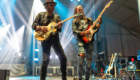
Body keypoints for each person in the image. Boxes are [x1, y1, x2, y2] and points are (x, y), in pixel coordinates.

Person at [32, 0, 67, 80]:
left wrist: (59, 27)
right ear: (46, 6)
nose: (53, 7)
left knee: (63, 58)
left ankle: (64, 78)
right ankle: (42, 78)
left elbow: (59, 30)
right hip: (45, 39)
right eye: (51, 5)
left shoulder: (57, 17)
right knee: (46, 59)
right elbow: (33, 26)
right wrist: (41, 28)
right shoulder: (40, 15)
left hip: (55, 39)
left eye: (54, 5)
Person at [72, 5, 102, 80]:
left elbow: (94, 30)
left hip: (89, 41)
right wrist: (84, 33)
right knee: (81, 55)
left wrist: (99, 23)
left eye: (81, 9)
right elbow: (74, 32)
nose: (81, 10)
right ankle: (79, 77)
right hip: (80, 40)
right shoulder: (75, 21)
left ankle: (87, 78)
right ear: (76, 12)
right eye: (79, 10)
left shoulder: (89, 20)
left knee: (89, 60)